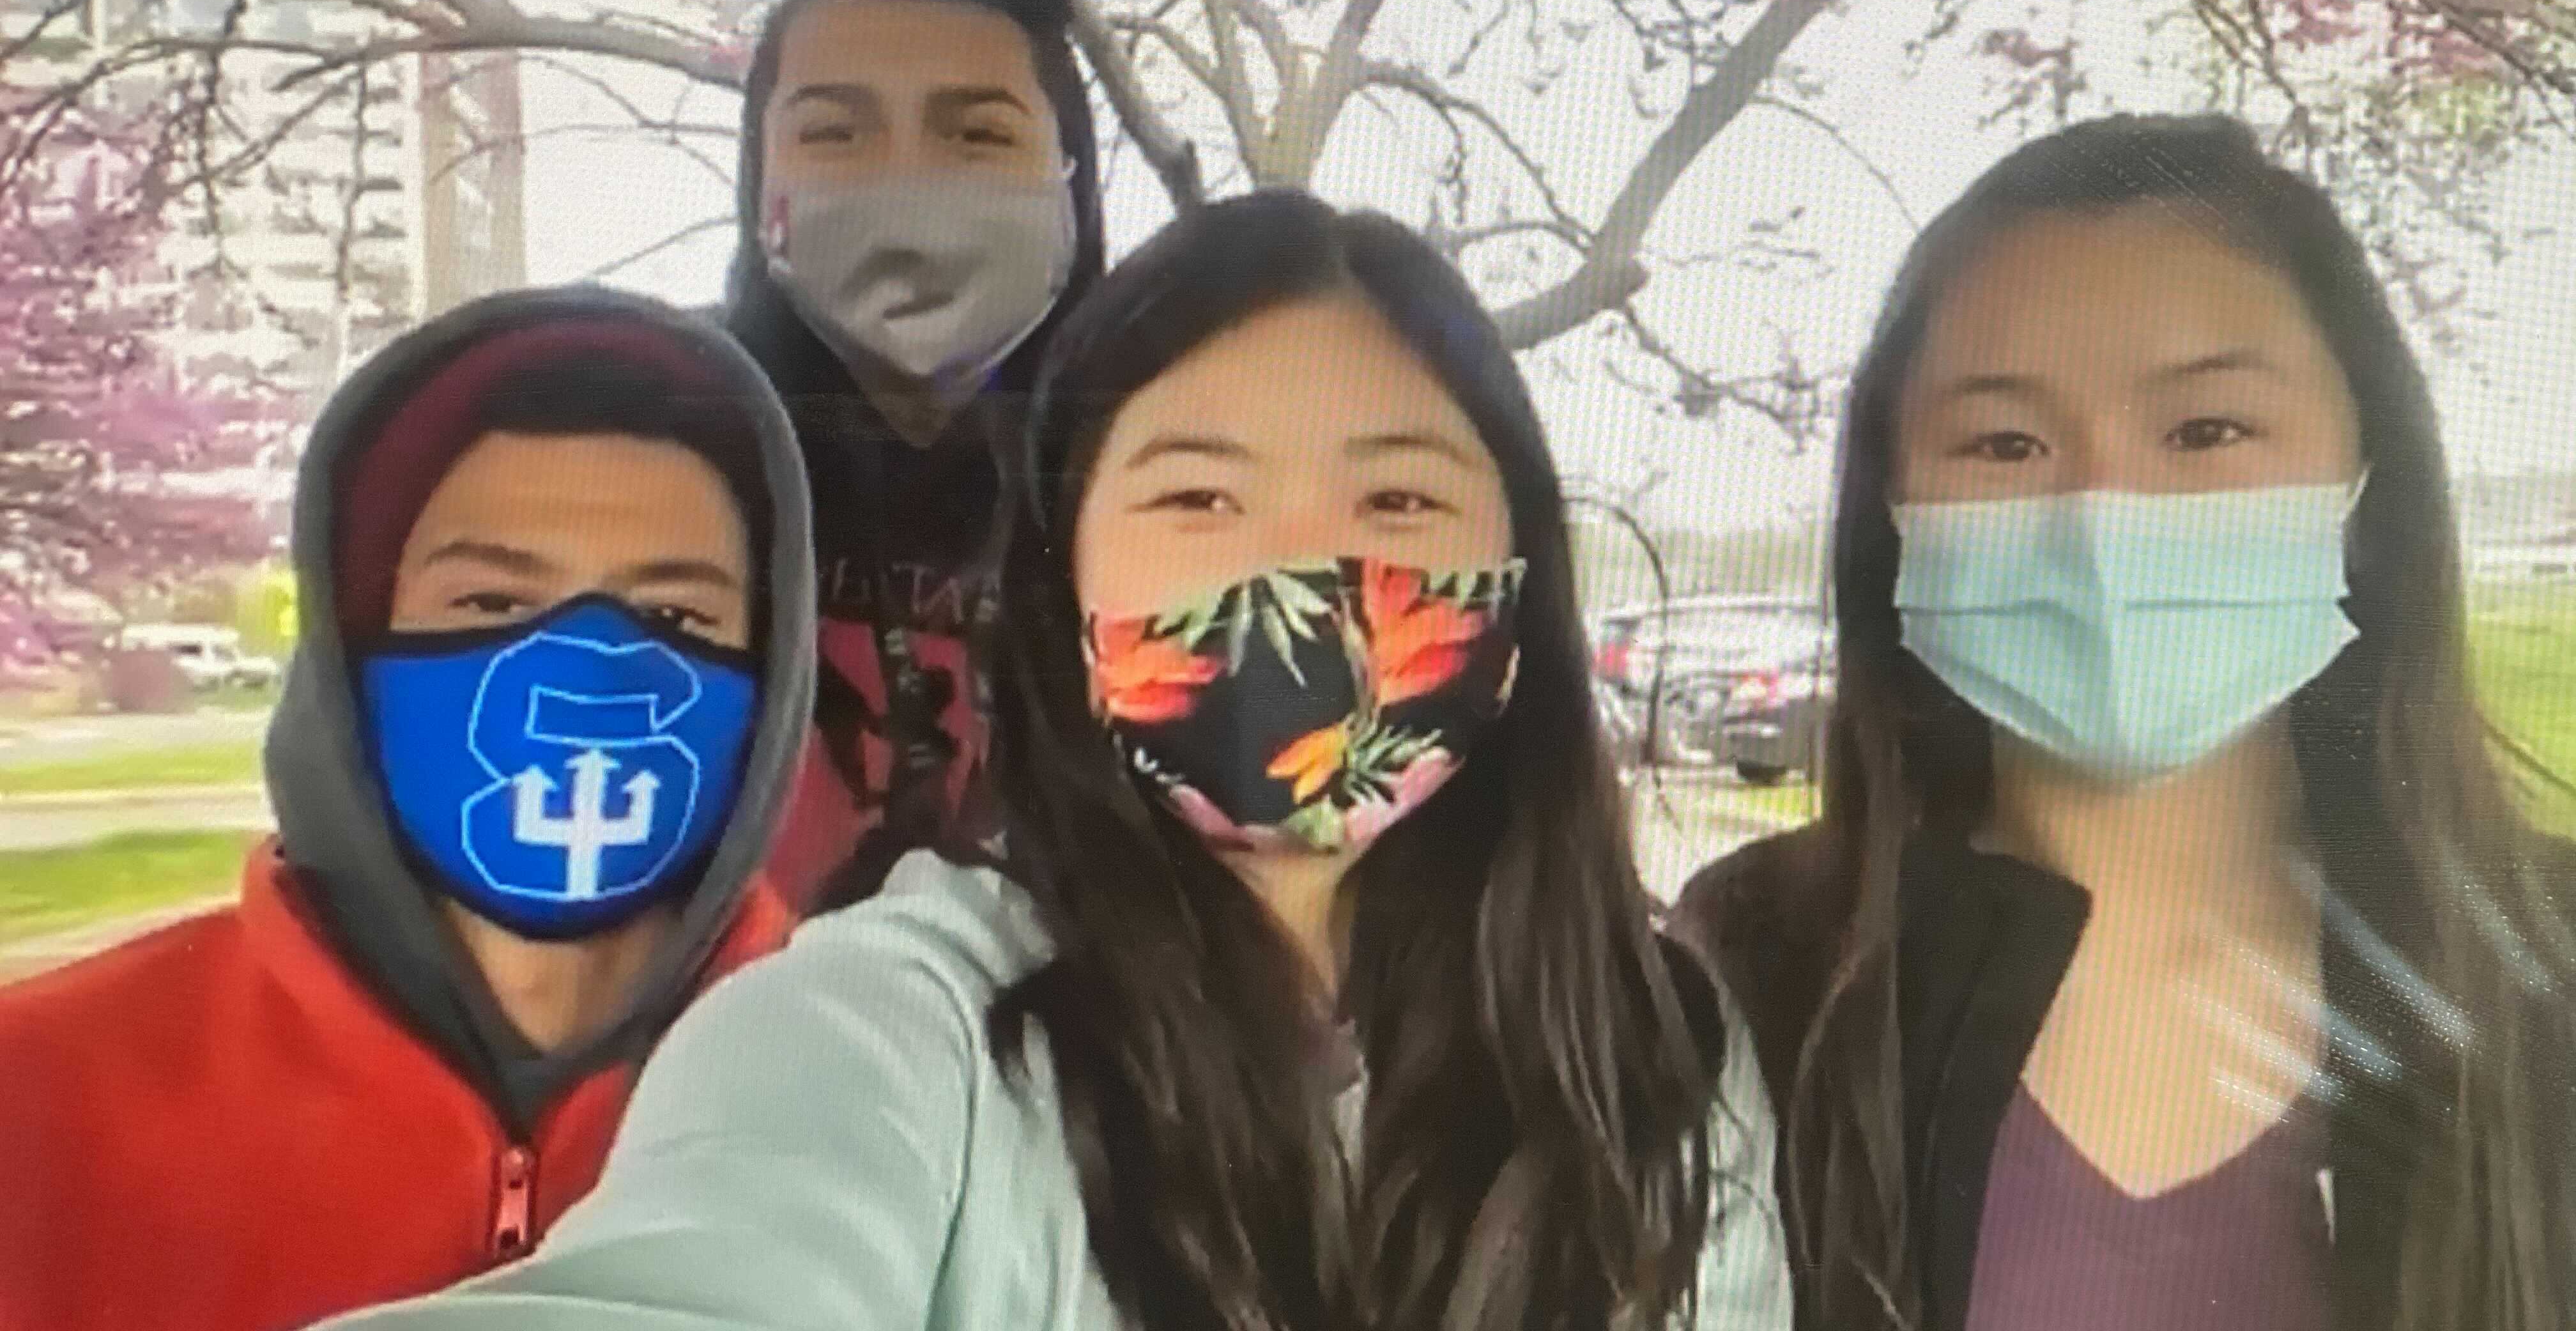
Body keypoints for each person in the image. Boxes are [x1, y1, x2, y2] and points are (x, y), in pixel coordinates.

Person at [325, 194, 1793, 1329]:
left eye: (1400, 496)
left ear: (1521, 587)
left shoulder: (1658, 1052)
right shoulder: (898, 1028)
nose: (1303, 571)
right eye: (1198, 493)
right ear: (1064, 601)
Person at [1671, 115, 2576, 1331]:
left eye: (2206, 432)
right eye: (2004, 442)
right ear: (1893, 510)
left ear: (2367, 478)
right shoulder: (1755, 965)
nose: (2102, 512)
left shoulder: (2543, 964)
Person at [0, 286, 817, 1331]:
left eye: (673, 614)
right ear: (351, 654)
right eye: (492, 604)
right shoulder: (38, 1100)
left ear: (774, 678)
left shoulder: (896, 1106)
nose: (583, 674)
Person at [724, 0, 1107, 914]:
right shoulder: (669, 432)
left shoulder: (1155, 457)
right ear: (761, 176)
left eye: (976, 135)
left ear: (1068, 175)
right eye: (835, 132)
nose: (907, 189)